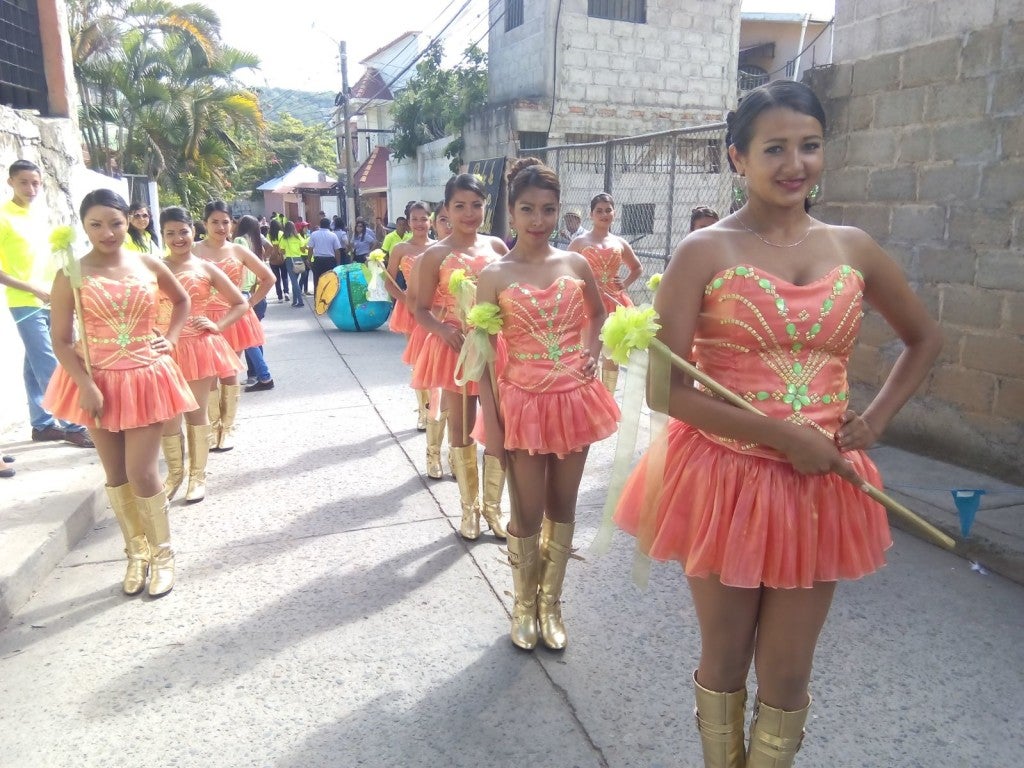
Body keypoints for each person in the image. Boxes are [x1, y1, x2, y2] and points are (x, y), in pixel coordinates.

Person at [613, 80, 943, 768]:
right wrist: (780, 433)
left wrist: (875, 419)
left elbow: (923, 340)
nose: (795, 164)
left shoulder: (854, 247)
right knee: (727, 658)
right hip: (723, 478)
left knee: (790, 674)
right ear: (738, 158)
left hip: (820, 486)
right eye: (775, 149)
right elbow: (664, 389)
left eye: (810, 146)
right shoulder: (704, 251)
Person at [474, 158, 619, 651]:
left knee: (564, 504)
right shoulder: (493, 275)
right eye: (528, 209)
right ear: (510, 212)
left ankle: (551, 604)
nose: (538, 220)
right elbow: (485, 357)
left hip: (574, 400)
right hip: (522, 403)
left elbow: (597, 315)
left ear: (559, 212)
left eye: (548, 210)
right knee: (527, 510)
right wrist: (491, 423)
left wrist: (591, 356)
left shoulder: (575, 264)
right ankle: (522, 604)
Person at [44, 189, 198, 596]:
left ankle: (163, 554)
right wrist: (85, 385)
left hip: (145, 376)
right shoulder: (70, 274)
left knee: (142, 472)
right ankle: (136, 554)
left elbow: (181, 301)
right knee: (114, 475)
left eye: (114, 222)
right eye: (95, 224)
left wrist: (171, 337)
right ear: (84, 226)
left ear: (128, 220)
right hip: (96, 382)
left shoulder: (148, 263)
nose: (107, 232)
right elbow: (60, 340)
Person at [412, 174, 509, 539]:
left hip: (497, 348)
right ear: (447, 209)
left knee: (499, 428)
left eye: (477, 205)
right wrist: (443, 329)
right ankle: (469, 511)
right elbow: (420, 309)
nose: (469, 213)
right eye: (460, 206)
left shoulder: (498, 247)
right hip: (455, 348)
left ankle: (494, 509)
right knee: (462, 427)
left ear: (486, 207)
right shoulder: (434, 254)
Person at [0, 159, 93, 447]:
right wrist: (32, 289)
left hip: (54, 298)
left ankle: (41, 424)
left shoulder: (41, 216)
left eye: (36, 182)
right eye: (24, 182)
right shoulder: (3, 217)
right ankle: (73, 425)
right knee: (50, 362)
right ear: (10, 182)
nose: (31, 188)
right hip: (25, 302)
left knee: (33, 363)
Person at [158, 207, 247, 503]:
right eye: (170, 233)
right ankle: (174, 474)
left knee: (195, 412)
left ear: (193, 231)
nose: (177, 238)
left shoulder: (206, 268)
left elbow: (239, 303)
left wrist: (217, 325)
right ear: (163, 235)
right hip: (164, 352)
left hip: (198, 346)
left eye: (182, 231)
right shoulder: (154, 268)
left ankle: (197, 476)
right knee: (168, 416)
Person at [194, 201, 275, 451]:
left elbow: (267, 278)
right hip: (202, 320)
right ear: (205, 223)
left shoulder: (238, 250)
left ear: (232, 224)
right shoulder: (193, 251)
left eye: (225, 222)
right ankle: (211, 428)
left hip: (233, 317)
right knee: (207, 377)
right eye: (215, 222)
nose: (220, 227)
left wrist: (249, 303)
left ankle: (226, 429)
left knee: (229, 374)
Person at [568, 192, 643, 393]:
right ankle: (588, 397)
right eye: (599, 211)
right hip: (587, 305)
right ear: (591, 215)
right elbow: (565, 270)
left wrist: (624, 283)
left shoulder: (620, 243)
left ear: (614, 213)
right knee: (588, 352)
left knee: (611, 356)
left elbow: (637, 268)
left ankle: (608, 398)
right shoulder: (580, 242)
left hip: (614, 305)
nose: (604, 214)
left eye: (608, 210)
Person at [386, 202, 434, 431]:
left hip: (436, 308)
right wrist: (407, 301)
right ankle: (423, 412)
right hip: (410, 309)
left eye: (424, 218)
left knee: (435, 359)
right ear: (408, 221)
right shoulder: (400, 249)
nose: (419, 223)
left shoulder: (439, 247)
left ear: (430, 221)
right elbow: (389, 281)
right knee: (417, 361)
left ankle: (434, 406)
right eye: (415, 219)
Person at [233, 215, 275, 392]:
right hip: (253, 293)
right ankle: (257, 375)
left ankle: (263, 376)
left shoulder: (239, 241)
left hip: (243, 294)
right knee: (252, 338)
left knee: (247, 339)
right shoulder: (256, 243)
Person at [306, 217, 343, 290]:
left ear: (320, 225)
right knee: (330, 280)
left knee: (317, 281)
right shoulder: (333, 235)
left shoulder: (314, 234)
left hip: (318, 260)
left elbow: (310, 249)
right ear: (329, 225)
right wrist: (338, 263)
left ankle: (317, 299)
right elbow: (337, 251)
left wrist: (309, 260)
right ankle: (329, 299)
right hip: (330, 261)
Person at [278, 221, 308, 307]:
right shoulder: (298, 237)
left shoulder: (284, 238)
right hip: (299, 259)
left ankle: (300, 301)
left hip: (289, 260)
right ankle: (295, 301)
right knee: (296, 281)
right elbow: (302, 249)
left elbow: (282, 250)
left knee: (294, 282)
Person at [267, 218, 289, 302]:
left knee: (277, 278)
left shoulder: (269, 234)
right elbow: (284, 245)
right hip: (282, 257)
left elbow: (268, 246)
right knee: (284, 276)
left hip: (273, 259)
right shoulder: (281, 233)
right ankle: (286, 292)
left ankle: (279, 297)